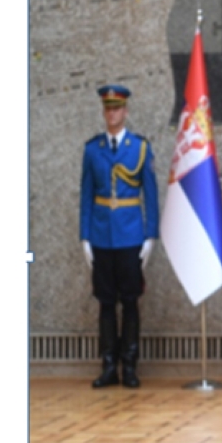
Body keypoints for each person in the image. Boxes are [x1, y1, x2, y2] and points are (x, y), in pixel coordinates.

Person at [79, 85, 158, 388]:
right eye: (108, 108)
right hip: (101, 236)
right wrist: (85, 237)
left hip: (130, 236)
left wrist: (150, 236)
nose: (112, 113)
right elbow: (86, 195)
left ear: (125, 111)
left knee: (130, 301)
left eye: (116, 108)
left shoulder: (140, 148)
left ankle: (131, 366)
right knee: (106, 303)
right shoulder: (92, 150)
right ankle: (109, 366)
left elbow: (150, 195)